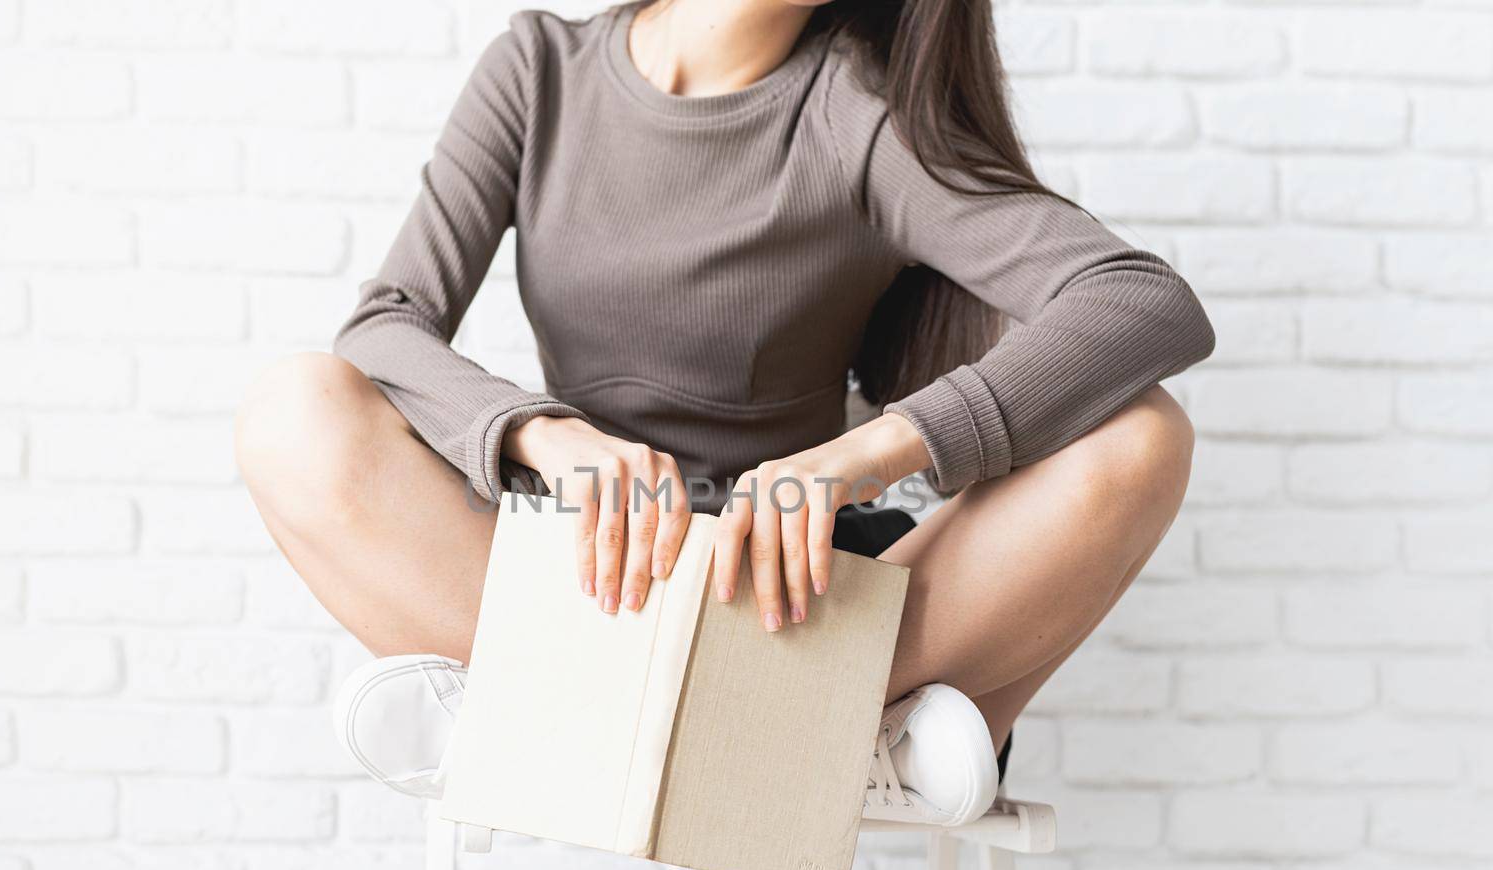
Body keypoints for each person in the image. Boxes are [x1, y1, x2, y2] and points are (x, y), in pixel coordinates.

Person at [236, 0, 1213, 828]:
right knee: (295, 406)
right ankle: (803, 735)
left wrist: (862, 453)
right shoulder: (538, 68)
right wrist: (547, 434)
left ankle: (595, 718)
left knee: (1143, 435)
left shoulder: (857, 116)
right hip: (591, 583)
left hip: (794, 604)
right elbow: (383, 326)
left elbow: (1138, 299)